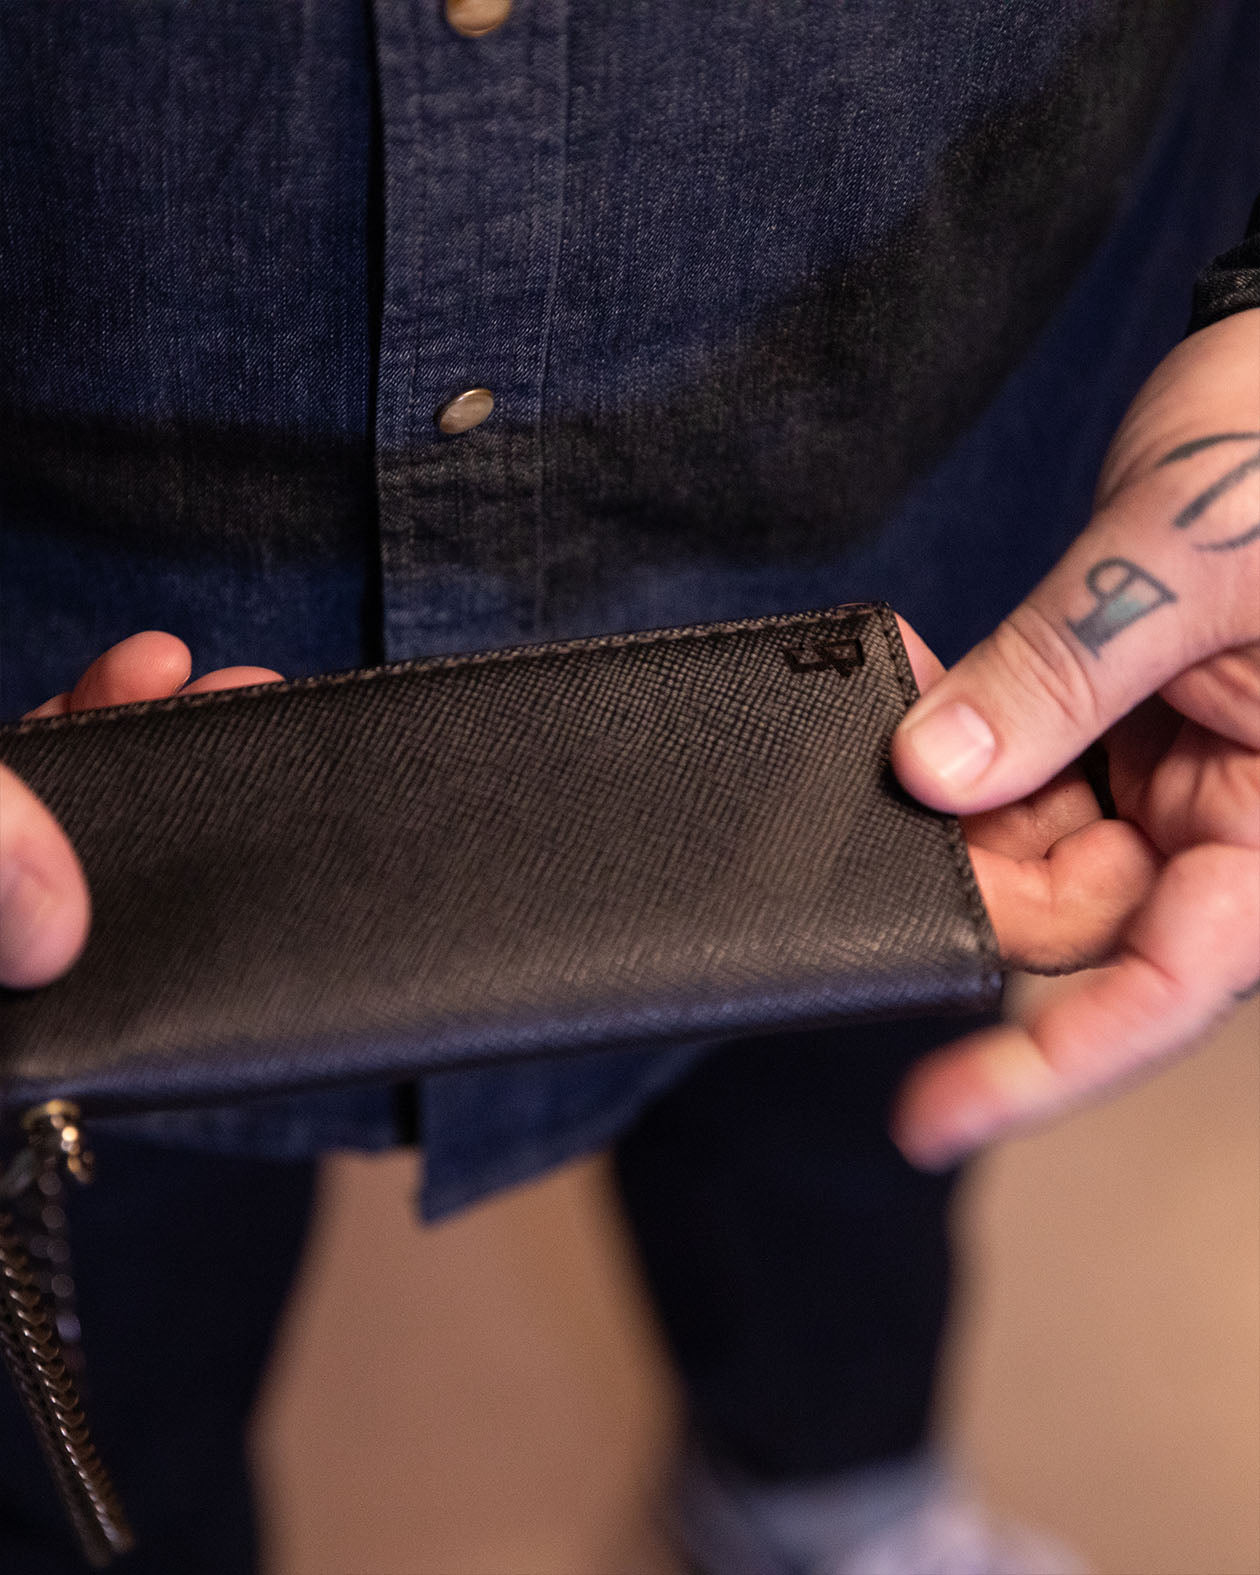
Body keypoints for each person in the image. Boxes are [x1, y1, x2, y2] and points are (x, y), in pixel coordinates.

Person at [2, 4, 1258, 1570]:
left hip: (927, 510)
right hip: (59, 679)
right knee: (84, 1372)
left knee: (839, 1170)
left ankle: (823, 1500)